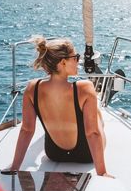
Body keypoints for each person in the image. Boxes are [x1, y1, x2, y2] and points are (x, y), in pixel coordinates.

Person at [10, 35, 112, 177]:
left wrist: (14, 167)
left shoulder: (32, 88)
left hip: (54, 153)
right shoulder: (85, 88)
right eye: (75, 57)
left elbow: (26, 130)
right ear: (63, 62)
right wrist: (102, 173)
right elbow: (92, 133)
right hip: (86, 155)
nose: (79, 61)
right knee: (97, 115)